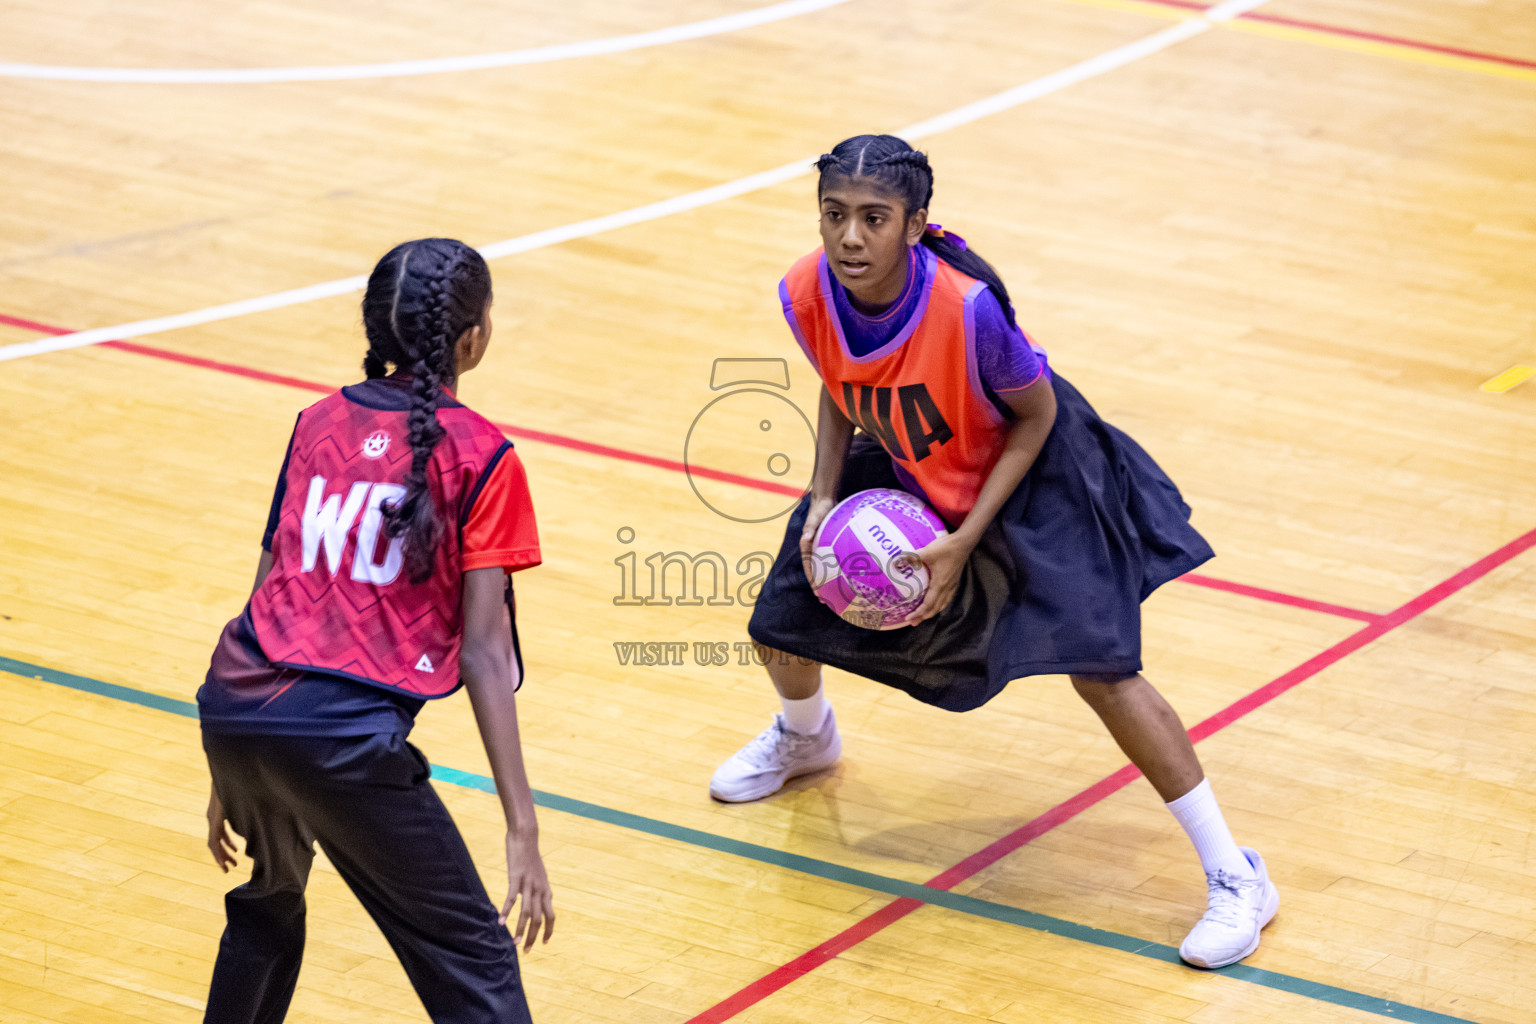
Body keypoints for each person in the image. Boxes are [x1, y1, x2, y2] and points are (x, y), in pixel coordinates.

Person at [711, 135, 1277, 970]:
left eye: (874, 218)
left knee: (1105, 671)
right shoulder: (806, 288)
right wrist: (824, 496)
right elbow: (839, 385)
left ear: (915, 224)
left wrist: (966, 539)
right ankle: (807, 737)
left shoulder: (967, 309)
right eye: (834, 215)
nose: (850, 238)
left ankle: (1237, 875)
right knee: (778, 620)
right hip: (909, 455)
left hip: (1033, 470)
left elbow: (1037, 414)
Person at [198, 238, 553, 1023]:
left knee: (268, 909)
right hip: (343, 739)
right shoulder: (484, 455)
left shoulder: (317, 421)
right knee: (475, 958)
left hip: (235, 706)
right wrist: (521, 826)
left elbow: (264, 590)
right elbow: (486, 652)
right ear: (473, 339)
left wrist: (233, 762)